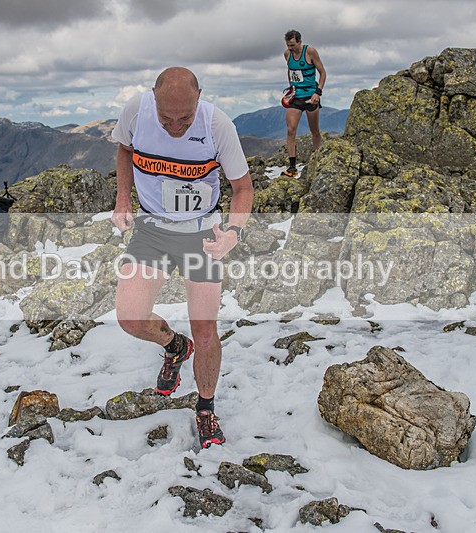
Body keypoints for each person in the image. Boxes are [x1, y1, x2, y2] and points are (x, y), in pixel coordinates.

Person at [111, 67, 254, 449]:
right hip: (152, 229)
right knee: (130, 318)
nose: (175, 127)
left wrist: (233, 234)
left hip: (201, 236)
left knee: (206, 331)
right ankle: (175, 346)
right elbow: (125, 149)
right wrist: (123, 198)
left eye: (185, 118)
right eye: (166, 118)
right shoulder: (136, 111)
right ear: (152, 99)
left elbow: (242, 188)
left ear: (200, 98)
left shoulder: (217, 124)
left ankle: (205, 408)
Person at [281, 29, 327, 177]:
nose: (290, 48)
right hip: (296, 97)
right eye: (288, 45)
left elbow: (323, 73)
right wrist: (290, 89)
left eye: (293, 45)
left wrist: (317, 92)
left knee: (314, 130)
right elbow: (290, 71)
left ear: (300, 41)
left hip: (310, 96)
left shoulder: (310, 52)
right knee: (290, 129)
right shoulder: (287, 54)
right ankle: (292, 167)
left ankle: (317, 160)